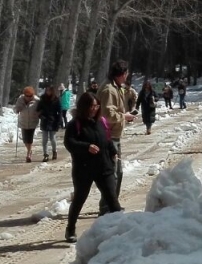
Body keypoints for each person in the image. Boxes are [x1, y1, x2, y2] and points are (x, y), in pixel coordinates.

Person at [64, 92, 122, 241]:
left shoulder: (101, 121)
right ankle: (70, 228)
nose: (94, 109)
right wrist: (86, 147)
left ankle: (122, 229)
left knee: (113, 200)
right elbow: (69, 143)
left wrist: (112, 151)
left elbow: (106, 139)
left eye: (97, 106)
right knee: (79, 199)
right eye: (92, 106)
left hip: (104, 167)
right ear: (84, 106)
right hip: (84, 169)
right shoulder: (74, 124)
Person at [96, 60, 137, 214]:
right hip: (108, 136)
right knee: (113, 173)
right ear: (121, 74)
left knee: (116, 172)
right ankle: (108, 206)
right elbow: (107, 114)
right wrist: (124, 116)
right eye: (125, 73)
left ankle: (110, 204)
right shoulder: (108, 89)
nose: (127, 77)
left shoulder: (116, 87)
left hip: (113, 135)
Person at [38, 85, 64, 162]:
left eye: (49, 90)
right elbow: (38, 109)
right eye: (47, 90)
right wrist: (40, 115)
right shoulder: (42, 99)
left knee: (52, 138)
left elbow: (60, 112)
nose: (48, 92)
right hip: (45, 120)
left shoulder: (56, 99)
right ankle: (45, 154)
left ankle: (54, 151)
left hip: (53, 121)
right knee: (44, 139)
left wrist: (59, 122)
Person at [14, 86, 41, 163]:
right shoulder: (20, 99)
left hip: (32, 121)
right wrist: (17, 110)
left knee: (30, 138)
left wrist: (39, 113)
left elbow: (40, 109)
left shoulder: (37, 100)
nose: (28, 97)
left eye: (30, 96)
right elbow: (15, 108)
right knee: (25, 139)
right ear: (24, 94)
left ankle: (28, 154)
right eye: (27, 95)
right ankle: (30, 150)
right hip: (23, 121)